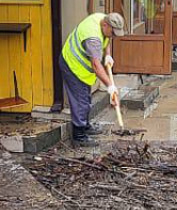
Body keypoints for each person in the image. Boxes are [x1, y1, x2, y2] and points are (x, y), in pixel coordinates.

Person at [54, 12, 126, 147]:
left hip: (81, 67)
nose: (114, 35)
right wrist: (110, 87)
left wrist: (108, 55)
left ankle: (85, 126)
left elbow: (107, 38)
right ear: (106, 25)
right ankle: (79, 136)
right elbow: (96, 66)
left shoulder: (102, 18)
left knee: (86, 99)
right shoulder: (93, 39)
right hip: (72, 65)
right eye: (113, 32)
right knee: (81, 101)